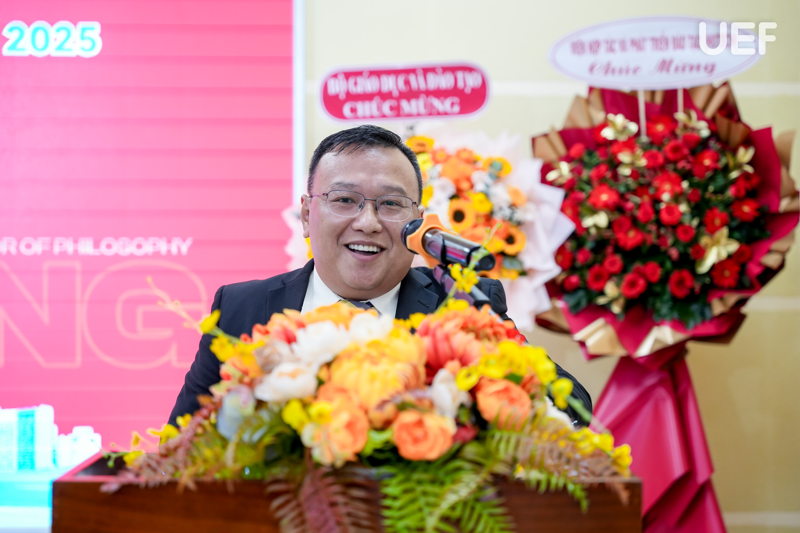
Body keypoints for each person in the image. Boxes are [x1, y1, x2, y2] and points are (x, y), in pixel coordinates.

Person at [169, 124, 592, 426]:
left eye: (390, 204)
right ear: (307, 214)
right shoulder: (241, 309)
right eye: (345, 200)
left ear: (417, 220)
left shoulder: (459, 303)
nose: (368, 223)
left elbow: (573, 410)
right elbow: (182, 443)